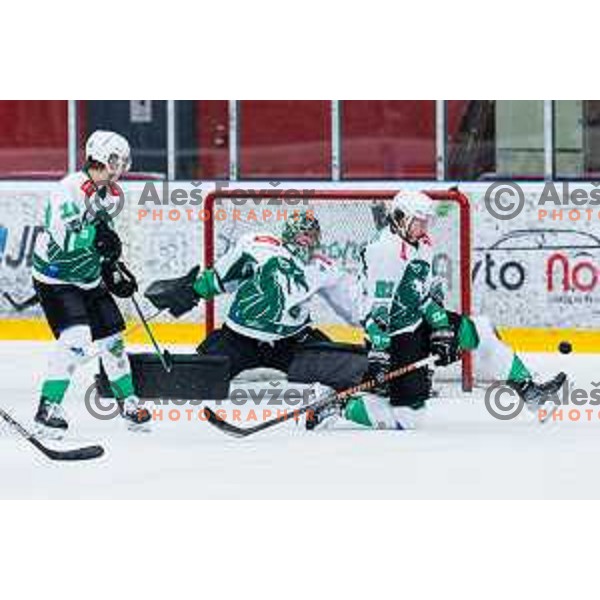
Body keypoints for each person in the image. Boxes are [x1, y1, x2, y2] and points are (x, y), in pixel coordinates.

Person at [307, 190, 567, 430]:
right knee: (409, 419)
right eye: (419, 221)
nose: (424, 227)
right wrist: (381, 353)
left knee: (481, 331)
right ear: (400, 218)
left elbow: (424, 295)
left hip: (418, 322)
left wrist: (441, 327)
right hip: (394, 338)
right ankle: (339, 404)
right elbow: (377, 314)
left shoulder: (423, 243)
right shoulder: (383, 252)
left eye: (426, 221)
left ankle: (530, 392)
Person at [145, 210, 366, 389]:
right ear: (289, 234)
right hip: (240, 338)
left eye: (312, 236)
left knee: (346, 369)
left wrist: (374, 324)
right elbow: (223, 276)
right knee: (193, 381)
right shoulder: (259, 245)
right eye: (303, 235)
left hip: (293, 342)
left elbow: (352, 309)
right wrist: (194, 291)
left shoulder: (322, 267)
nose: (307, 241)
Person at [32, 130, 151, 435]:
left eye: (123, 161)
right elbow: (67, 240)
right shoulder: (68, 189)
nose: (119, 167)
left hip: (88, 278)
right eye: (114, 159)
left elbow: (101, 241)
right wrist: (98, 239)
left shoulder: (108, 194)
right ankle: (47, 409)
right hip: (56, 277)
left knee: (113, 339)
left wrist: (112, 268)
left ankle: (127, 403)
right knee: (75, 337)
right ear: (97, 155)